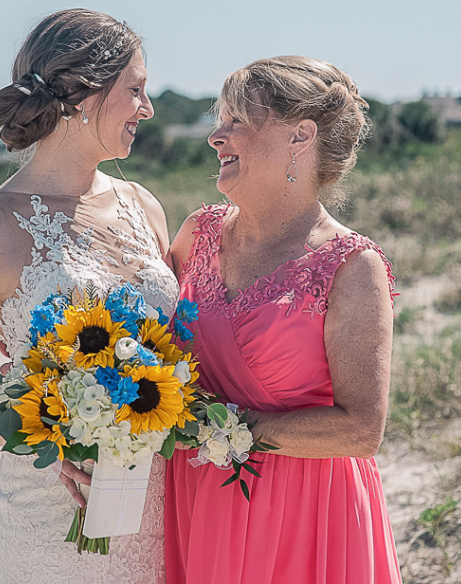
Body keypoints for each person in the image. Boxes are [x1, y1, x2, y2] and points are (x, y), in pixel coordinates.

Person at [0, 8, 175, 584]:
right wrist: (45, 433)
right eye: (136, 90)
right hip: (52, 507)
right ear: (81, 95)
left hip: (161, 500)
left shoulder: (144, 205)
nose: (148, 109)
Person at [164, 56, 402, 583]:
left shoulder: (351, 266)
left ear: (301, 136)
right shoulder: (195, 234)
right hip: (195, 499)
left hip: (306, 516)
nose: (216, 137)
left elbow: (361, 430)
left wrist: (225, 432)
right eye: (219, 119)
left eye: (237, 121)